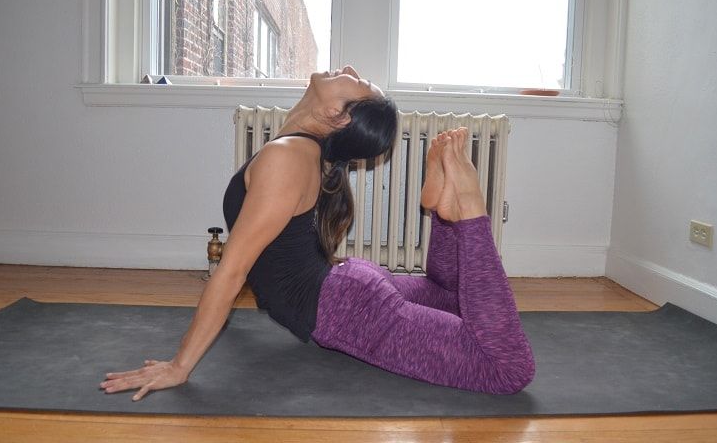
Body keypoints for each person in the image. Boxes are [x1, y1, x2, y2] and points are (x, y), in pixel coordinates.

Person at [100, 65, 535, 401]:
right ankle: (445, 214)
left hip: (347, 307)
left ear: (336, 115)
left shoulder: (288, 157)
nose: (347, 69)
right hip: (351, 291)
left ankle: (468, 212)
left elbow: (231, 273)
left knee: (508, 370)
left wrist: (180, 366)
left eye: (357, 80)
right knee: (451, 294)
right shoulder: (301, 152)